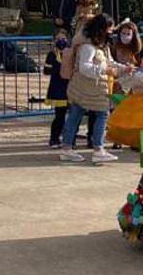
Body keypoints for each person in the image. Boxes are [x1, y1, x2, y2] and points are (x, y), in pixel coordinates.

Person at [59, 13, 133, 164]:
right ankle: (98, 149)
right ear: (102, 29)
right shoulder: (88, 46)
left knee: (76, 114)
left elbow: (109, 62)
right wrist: (105, 72)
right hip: (89, 88)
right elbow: (85, 67)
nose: (112, 31)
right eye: (109, 28)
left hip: (88, 88)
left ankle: (67, 148)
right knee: (102, 114)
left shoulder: (100, 45)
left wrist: (124, 68)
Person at [42, 30, 71, 148]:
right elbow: (46, 70)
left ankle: (69, 138)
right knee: (59, 116)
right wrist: (59, 69)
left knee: (73, 115)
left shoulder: (70, 53)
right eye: (58, 39)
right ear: (54, 41)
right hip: (57, 88)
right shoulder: (52, 54)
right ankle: (54, 138)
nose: (61, 41)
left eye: (63, 39)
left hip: (70, 88)